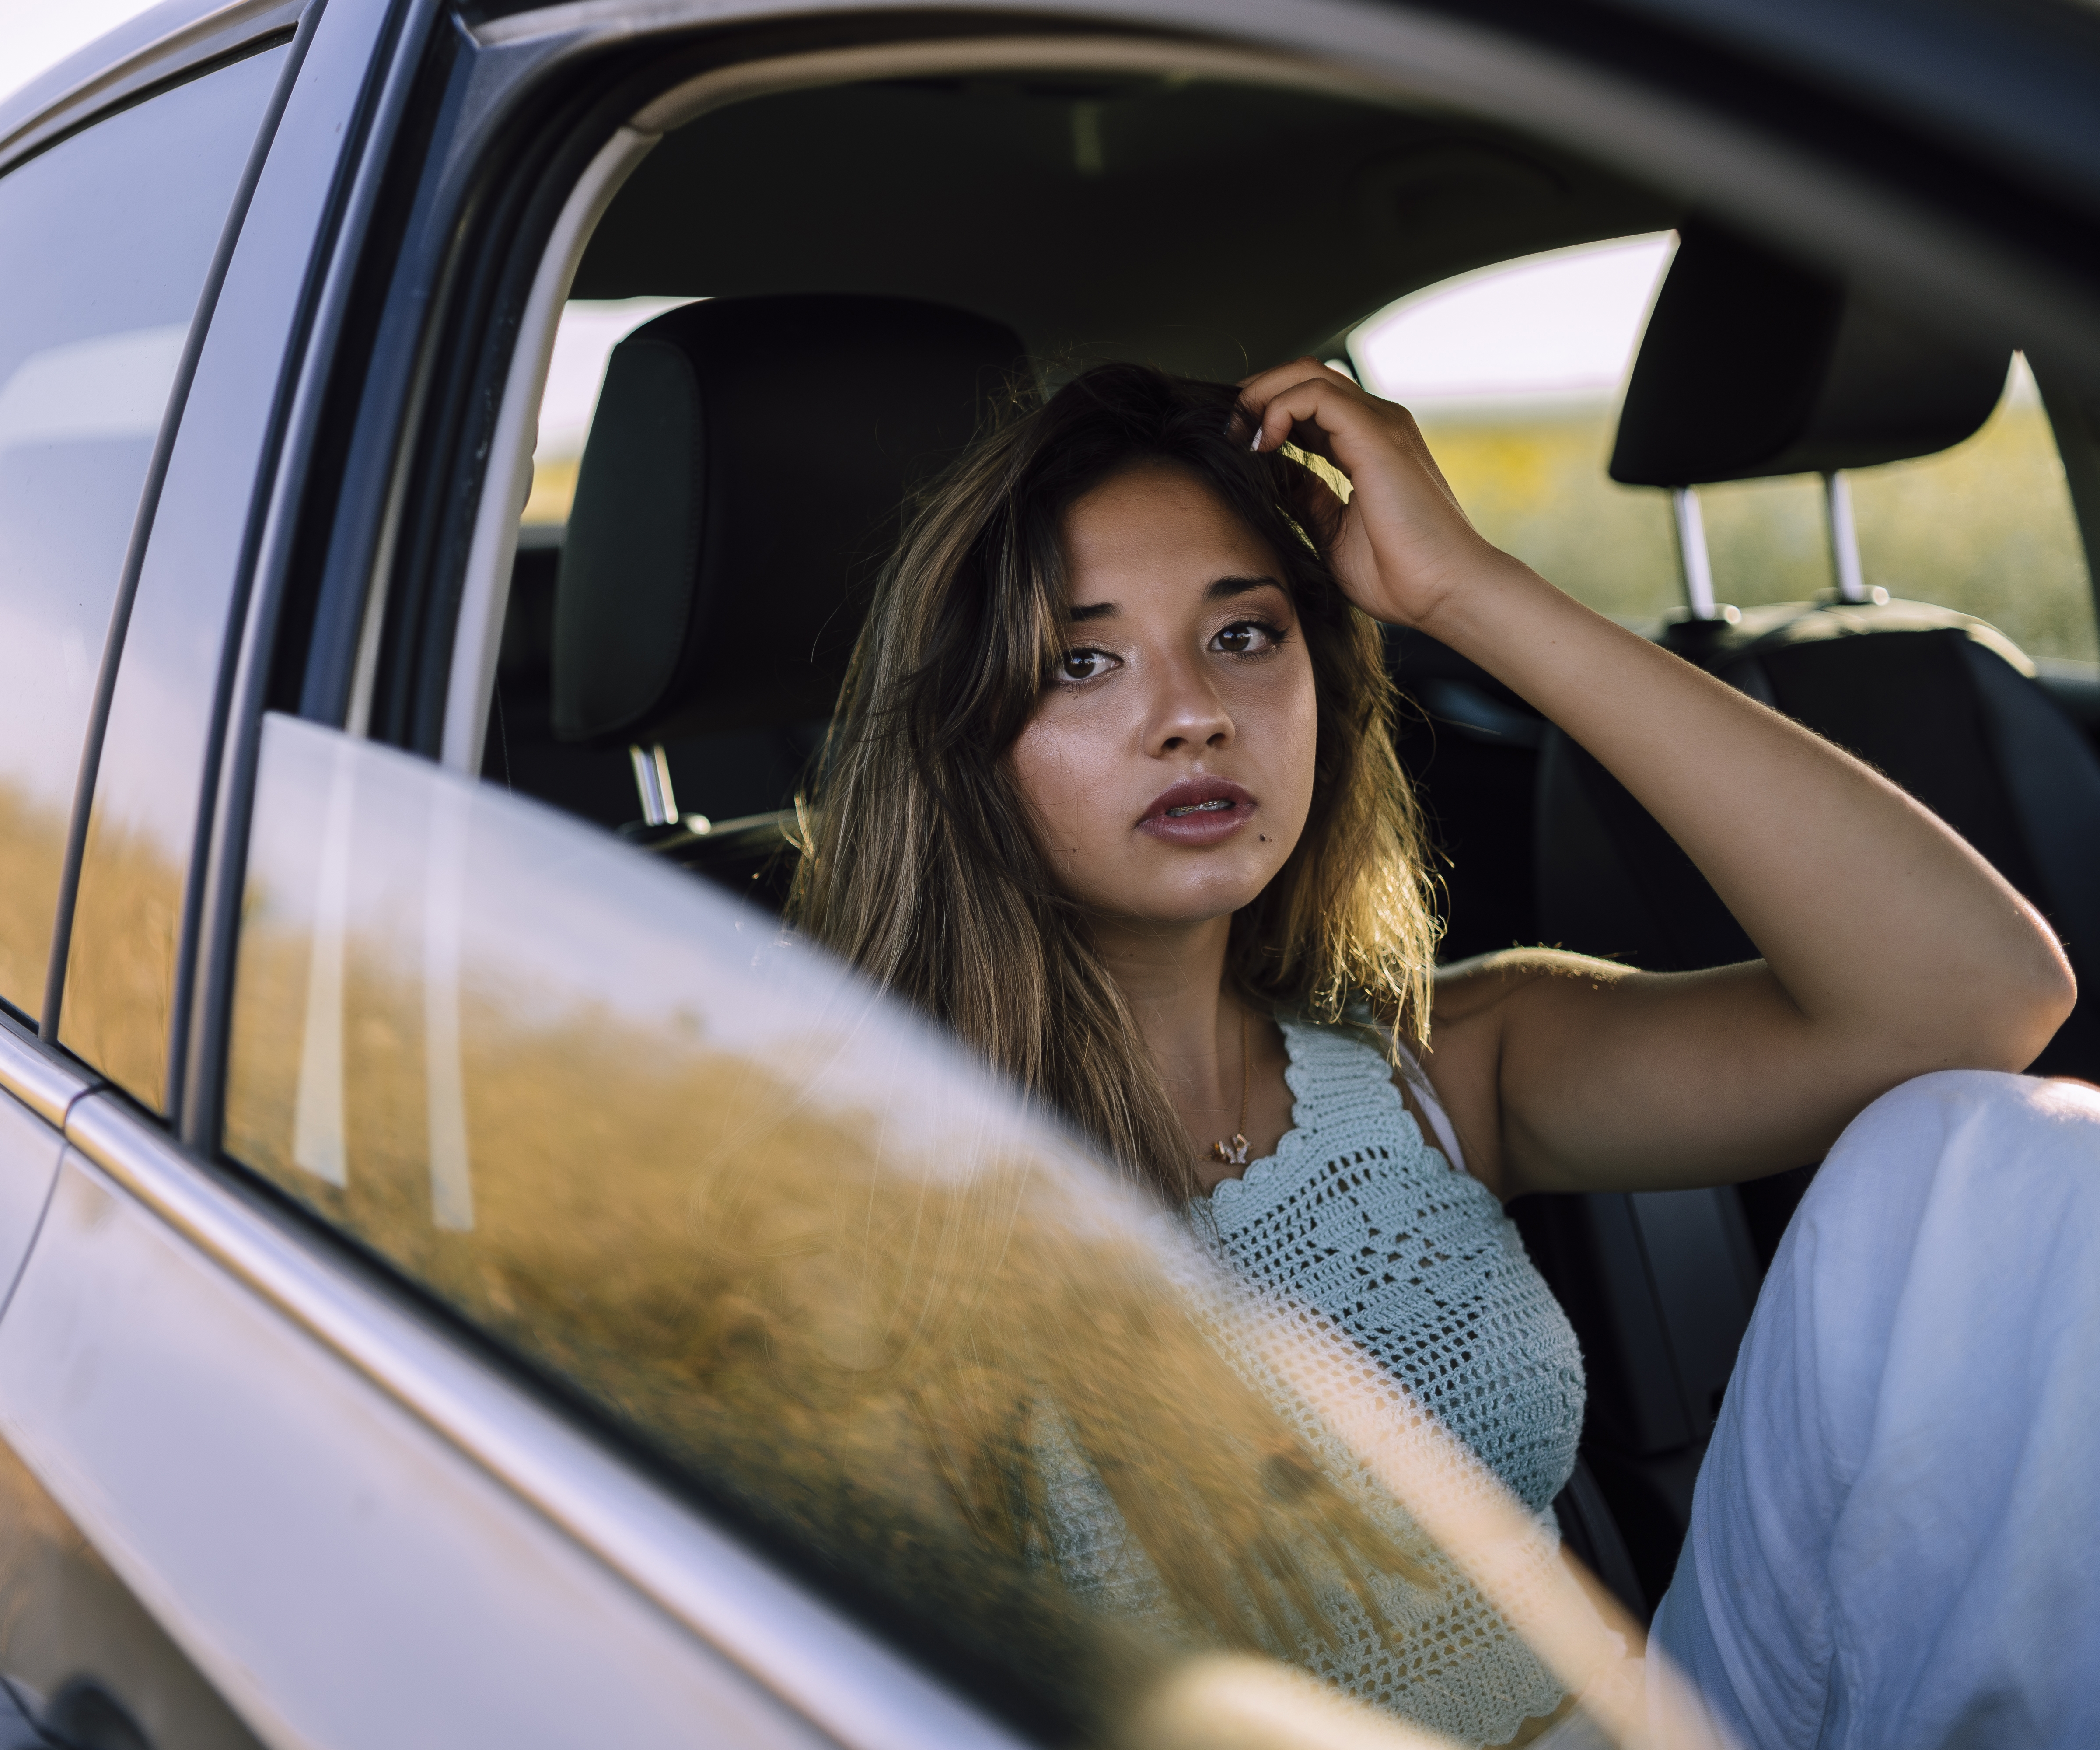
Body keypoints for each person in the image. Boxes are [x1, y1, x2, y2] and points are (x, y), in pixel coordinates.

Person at [787, 360, 2100, 1747]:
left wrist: (1469, 588)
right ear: (961, 738)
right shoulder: (861, 1176)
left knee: (2001, 1155)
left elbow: (1977, 997)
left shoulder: (1443, 1065)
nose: (1193, 714)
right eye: (1083, 659)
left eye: (1245, 636)